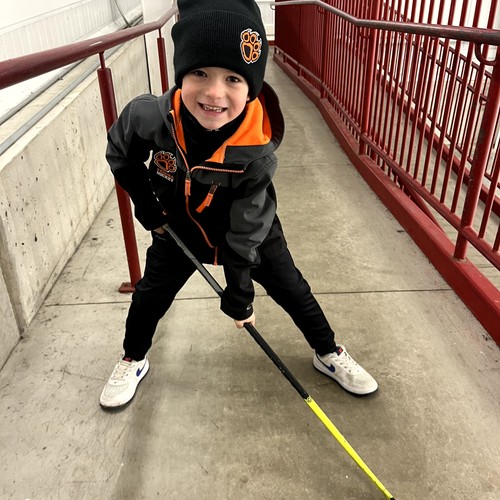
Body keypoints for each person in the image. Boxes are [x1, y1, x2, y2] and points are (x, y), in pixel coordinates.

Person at [100, 0, 378, 408]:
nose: (214, 93)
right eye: (199, 73)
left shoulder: (256, 151)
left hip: (251, 234)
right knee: (148, 297)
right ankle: (133, 358)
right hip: (179, 227)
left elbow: (246, 228)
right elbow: (121, 152)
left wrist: (240, 291)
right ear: (180, 75)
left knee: (293, 290)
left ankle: (328, 351)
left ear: (251, 88)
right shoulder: (151, 117)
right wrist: (148, 207)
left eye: (233, 78)